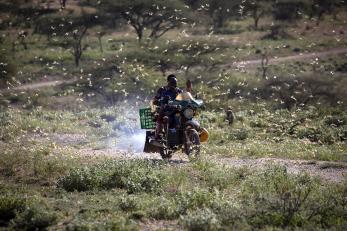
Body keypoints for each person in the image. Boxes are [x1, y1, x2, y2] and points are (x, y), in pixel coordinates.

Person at [152, 74, 183, 140]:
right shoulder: (162, 90)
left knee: (185, 117)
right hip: (165, 110)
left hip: (177, 110)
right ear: (168, 82)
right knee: (162, 116)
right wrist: (158, 101)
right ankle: (160, 133)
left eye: (175, 83)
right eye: (172, 82)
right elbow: (155, 99)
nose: (173, 84)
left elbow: (183, 99)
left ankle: (189, 134)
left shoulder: (179, 91)